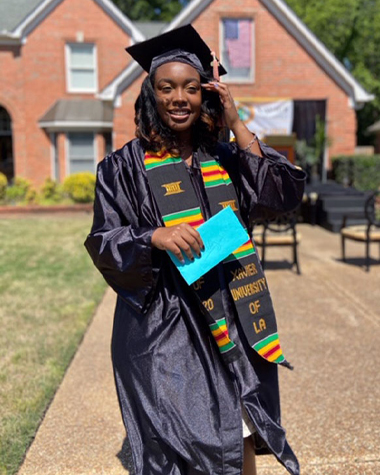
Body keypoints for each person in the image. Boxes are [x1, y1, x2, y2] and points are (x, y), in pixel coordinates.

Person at [85, 25, 306, 475]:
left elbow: (280, 196)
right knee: (179, 440)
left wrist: (237, 122)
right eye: (167, 88)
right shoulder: (122, 167)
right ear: (152, 94)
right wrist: (152, 237)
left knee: (240, 429)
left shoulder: (224, 156)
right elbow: (103, 240)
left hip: (232, 312)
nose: (179, 98)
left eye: (191, 87)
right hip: (165, 325)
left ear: (206, 94)